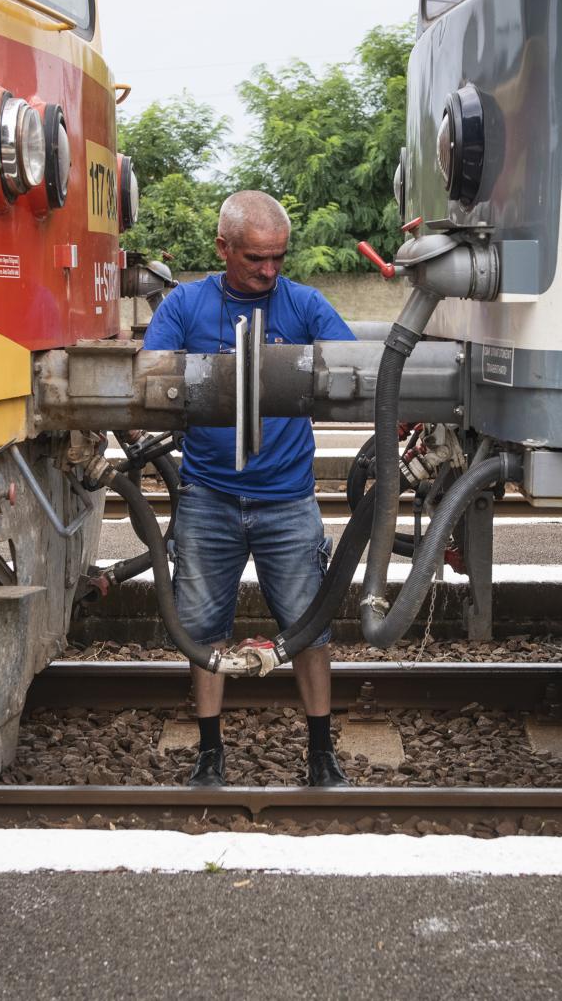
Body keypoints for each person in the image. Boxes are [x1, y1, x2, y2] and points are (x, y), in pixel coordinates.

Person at [141, 191, 356, 787]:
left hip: (288, 499)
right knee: (203, 631)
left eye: (278, 259)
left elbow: (355, 368)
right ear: (222, 248)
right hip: (208, 496)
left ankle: (321, 753)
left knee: (309, 631)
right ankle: (209, 753)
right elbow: (150, 376)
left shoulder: (305, 304)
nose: (269, 271)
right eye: (256, 258)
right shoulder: (185, 305)